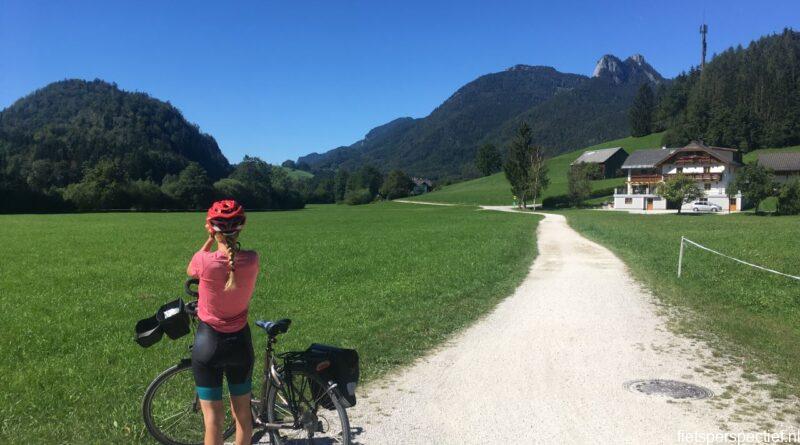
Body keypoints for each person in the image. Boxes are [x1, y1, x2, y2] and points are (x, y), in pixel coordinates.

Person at [187, 200, 259, 445]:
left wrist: (209, 239)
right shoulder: (252, 260)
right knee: (243, 416)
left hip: (209, 344)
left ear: (211, 226)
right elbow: (231, 260)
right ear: (242, 226)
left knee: (213, 421)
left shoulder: (204, 262)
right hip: (240, 344)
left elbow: (191, 269)